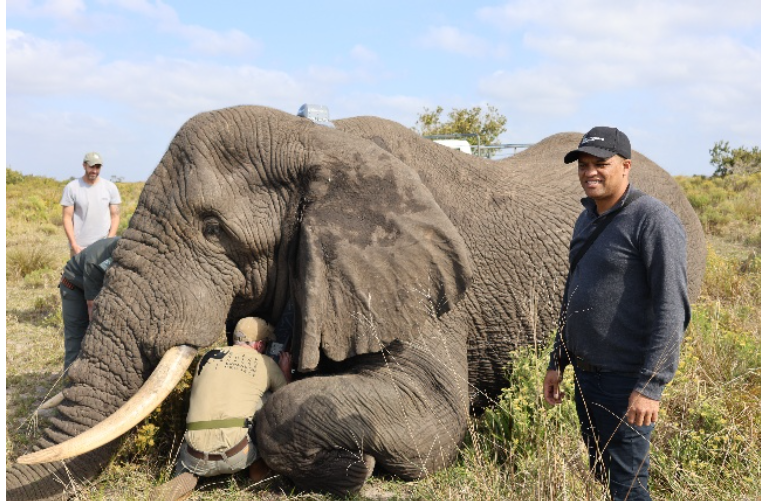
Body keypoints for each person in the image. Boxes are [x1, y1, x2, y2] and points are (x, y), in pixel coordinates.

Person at [542, 126, 690, 501]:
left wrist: (649, 387)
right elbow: (573, 293)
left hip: (625, 381)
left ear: (625, 166)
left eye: (600, 164)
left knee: (629, 487)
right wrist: (557, 360)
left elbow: (672, 307)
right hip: (587, 378)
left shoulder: (652, 219)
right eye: (584, 164)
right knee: (605, 473)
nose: (589, 172)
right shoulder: (586, 218)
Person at [153, 317, 292, 501]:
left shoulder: (207, 356)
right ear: (259, 345)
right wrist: (285, 370)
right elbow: (286, 398)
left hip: (194, 455)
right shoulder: (265, 362)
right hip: (236, 455)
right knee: (266, 401)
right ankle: (257, 470)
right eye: (265, 344)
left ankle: (190, 474)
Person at [60, 236, 120, 371]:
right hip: (73, 287)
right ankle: (70, 382)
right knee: (77, 335)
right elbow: (92, 306)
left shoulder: (127, 250)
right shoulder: (96, 262)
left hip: (98, 286)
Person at [61, 151, 121, 256]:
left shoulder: (110, 187)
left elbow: (115, 216)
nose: (94, 170)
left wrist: (109, 241)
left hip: (103, 248)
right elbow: (67, 218)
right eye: (91, 167)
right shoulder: (72, 188)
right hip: (80, 248)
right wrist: (74, 245)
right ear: (84, 166)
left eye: (98, 167)